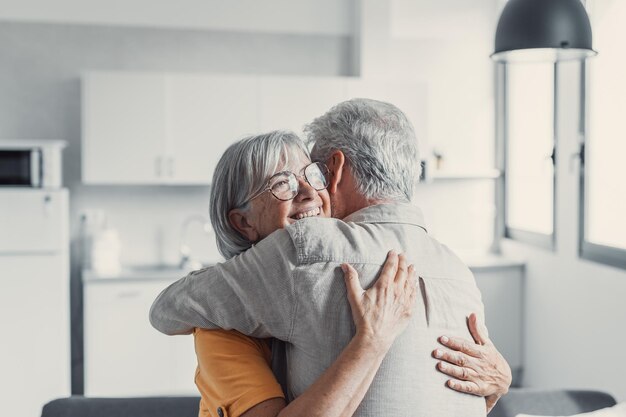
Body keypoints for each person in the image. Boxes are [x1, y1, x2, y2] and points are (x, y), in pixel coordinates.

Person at [151, 99, 512, 416]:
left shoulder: (319, 257)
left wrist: (498, 385)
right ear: (242, 221)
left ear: (333, 172)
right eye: (281, 183)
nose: (308, 191)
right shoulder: (457, 270)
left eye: (313, 174)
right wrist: (371, 342)